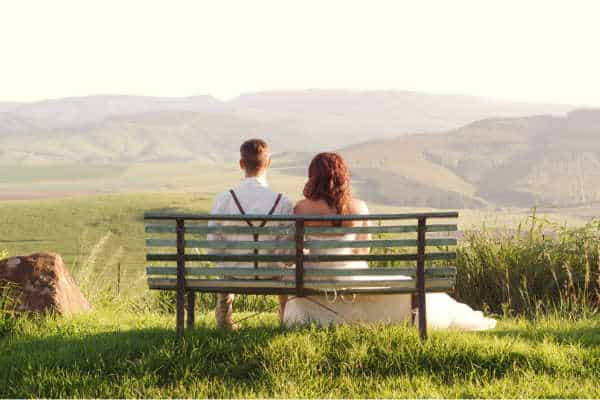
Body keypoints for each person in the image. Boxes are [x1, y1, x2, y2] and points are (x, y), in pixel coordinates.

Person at [282, 152, 496, 331]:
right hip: (352, 276)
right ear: (342, 177)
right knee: (406, 281)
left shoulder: (301, 208)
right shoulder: (359, 207)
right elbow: (362, 252)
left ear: (313, 177)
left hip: (314, 280)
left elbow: (291, 250)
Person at [208, 139, 293, 330]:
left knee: (224, 268)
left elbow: (213, 247)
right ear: (268, 163)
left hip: (233, 274)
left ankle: (224, 321)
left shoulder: (224, 199)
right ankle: (284, 320)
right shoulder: (282, 202)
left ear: (241, 164)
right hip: (274, 275)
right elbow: (288, 252)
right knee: (287, 269)